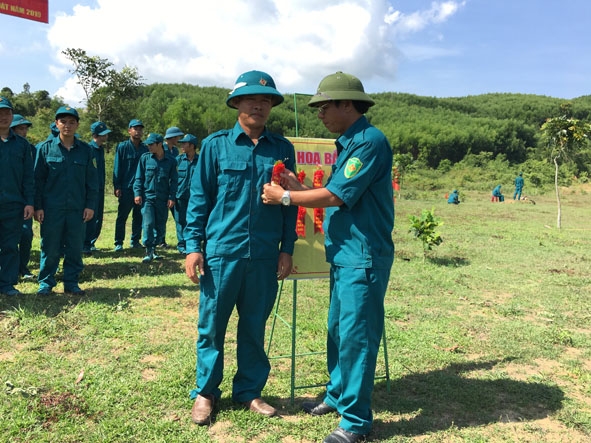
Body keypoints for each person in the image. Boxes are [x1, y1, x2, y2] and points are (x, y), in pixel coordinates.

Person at [262, 71, 394, 443]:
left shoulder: (369, 142)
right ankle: (337, 395)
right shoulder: (349, 144)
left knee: (356, 336)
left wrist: (285, 197)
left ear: (346, 105)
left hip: (362, 256)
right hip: (345, 254)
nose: (320, 114)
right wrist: (299, 187)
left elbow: (336, 197)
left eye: (324, 107)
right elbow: (336, 191)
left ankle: (355, 421)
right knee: (337, 330)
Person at [185, 70, 297, 425]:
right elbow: (199, 199)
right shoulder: (216, 145)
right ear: (236, 103)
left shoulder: (282, 149)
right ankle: (206, 392)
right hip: (222, 253)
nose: (259, 106)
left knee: (254, 326)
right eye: (251, 100)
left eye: (265, 101)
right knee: (212, 326)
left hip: (264, 255)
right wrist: (193, 246)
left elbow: (289, 201)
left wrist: (287, 248)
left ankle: (249, 391)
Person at [34, 106, 98, 296]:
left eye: (72, 122)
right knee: (50, 247)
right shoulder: (45, 148)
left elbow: (92, 181)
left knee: (74, 247)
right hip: (52, 208)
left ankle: (71, 282)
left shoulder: (86, 150)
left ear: (77, 124)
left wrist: (90, 205)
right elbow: (37, 181)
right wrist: (38, 206)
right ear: (57, 124)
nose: (67, 126)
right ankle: (46, 283)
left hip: (77, 209)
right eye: (63, 122)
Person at [0, 98, 35, 297]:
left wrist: (29, 202)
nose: (3, 117)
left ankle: (6, 284)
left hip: (14, 204)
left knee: (10, 246)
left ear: (12, 116)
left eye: (6, 113)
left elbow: (28, 177)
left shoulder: (22, 145)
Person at [133, 133, 178, 263]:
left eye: (151, 144)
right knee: (148, 223)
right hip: (148, 197)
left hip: (163, 199)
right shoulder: (145, 158)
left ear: (159, 144)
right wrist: (137, 193)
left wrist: (171, 197)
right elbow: (139, 177)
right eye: (148, 144)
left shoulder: (171, 161)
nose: (149, 147)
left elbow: (174, 181)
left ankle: (155, 248)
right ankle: (148, 250)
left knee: (160, 226)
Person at [113, 119, 148, 251]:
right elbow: (117, 167)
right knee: (122, 216)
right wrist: (117, 186)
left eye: (140, 129)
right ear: (129, 131)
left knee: (138, 216)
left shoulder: (145, 148)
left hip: (140, 188)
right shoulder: (122, 147)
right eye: (135, 129)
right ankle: (118, 242)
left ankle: (135, 240)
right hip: (126, 188)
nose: (138, 131)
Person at [10, 114, 37, 280]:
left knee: (26, 234)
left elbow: (33, 176)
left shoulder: (31, 149)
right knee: (8, 238)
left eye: (26, 128)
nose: (24, 131)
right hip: (8, 199)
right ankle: (9, 270)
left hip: (25, 200)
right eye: (21, 128)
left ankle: (23, 267)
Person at [83, 121, 111, 254]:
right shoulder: (88, 149)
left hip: (100, 188)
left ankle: (92, 242)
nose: (105, 136)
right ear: (96, 135)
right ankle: (85, 244)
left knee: (98, 216)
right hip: (90, 189)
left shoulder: (100, 150)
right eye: (103, 134)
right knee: (89, 216)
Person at [157, 126, 184, 249]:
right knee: (161, 216)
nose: (179, 139)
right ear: (171, 138)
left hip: (173, 185)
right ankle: (159, 240)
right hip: (162, 186)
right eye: (177, 136)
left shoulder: (175, 151)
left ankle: (181, 240)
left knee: (177, 216)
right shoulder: (162, 149)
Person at [174, 133, 199, 254]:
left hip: (195, 197)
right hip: (180, 196)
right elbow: (172, 178)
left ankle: (193, 244)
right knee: (180, 221)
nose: (182, 146)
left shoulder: (201, 161)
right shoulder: (178, 161)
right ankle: (182, 245)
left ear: (192, 145)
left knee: (194, 221)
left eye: (184, 143)